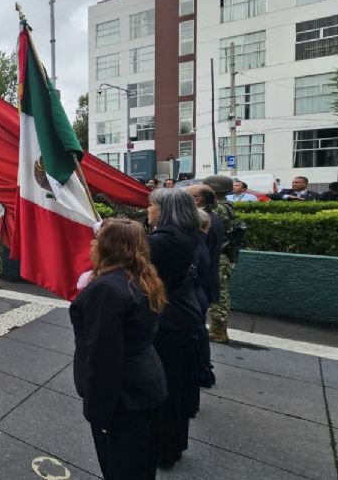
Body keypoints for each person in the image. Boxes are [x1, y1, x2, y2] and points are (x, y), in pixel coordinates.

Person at [71, 218, 168, 480]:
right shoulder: (142, 276)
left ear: (110, 248)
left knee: (121, 467)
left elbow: (104, 357)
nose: (91, 243)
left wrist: (98, 412)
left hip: (122, 396)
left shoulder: (107, 289)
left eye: (97, 239)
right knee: (140, 465)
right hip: (146, 384)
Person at [146, 188, 202, 468]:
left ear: (164, 210)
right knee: (177, 385)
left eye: (151, 205)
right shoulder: (187, 234)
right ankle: (174, 444)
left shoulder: (162, 241)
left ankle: (163, 450)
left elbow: (135, 270)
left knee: (163, 389)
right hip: (185, 313)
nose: (148, 210)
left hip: (167, 320)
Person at [187, 185, 224, 388]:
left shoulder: (201, 222)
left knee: (196, 333)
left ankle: (200, 371)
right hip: (203, 286)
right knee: (198, 331)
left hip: (198, 287)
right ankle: (202, 370)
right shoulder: (212, 218)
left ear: (198, 200)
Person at [203, 175, 243, 344]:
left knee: (218, 293)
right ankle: (218, 329)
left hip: (219, 256)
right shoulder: (226, 205)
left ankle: (218, 331)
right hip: (222, 254)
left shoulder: (217, 208)